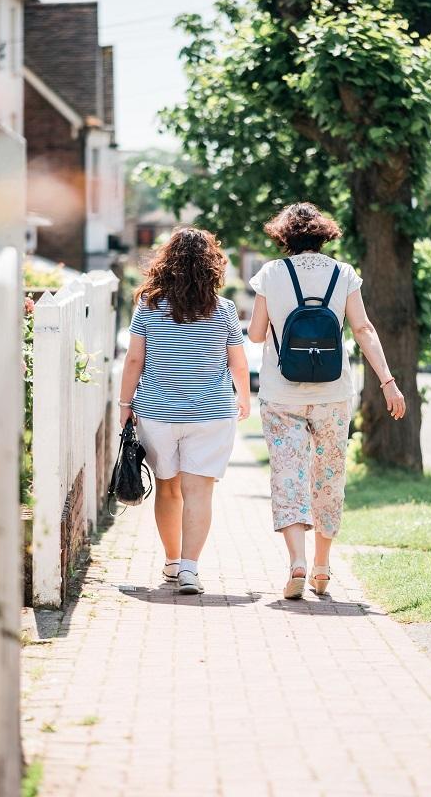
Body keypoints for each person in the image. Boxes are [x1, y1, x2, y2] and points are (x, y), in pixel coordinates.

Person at [248, 203, 406, 599]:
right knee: (329, 475)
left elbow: (253, 334)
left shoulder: (271, 273)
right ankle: (321, 566)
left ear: (283, 236)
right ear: (323, 234)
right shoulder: (344, 274)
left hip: (281, 393)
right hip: (334, 394)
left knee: (289, 472)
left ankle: (296, 562)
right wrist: (387, 381)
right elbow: (363, 329)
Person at [119, 227, 251, 595]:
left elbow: (134, 360)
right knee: (200, 492)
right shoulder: (223, 310)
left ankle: (173, 561)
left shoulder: (147, 307)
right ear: (211, 266)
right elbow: (238, 364)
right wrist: (244, 397)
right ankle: (191, 569)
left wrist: (124, 404)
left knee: (168, 488)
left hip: (157, 412)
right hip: (211, 413)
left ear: (166, 263)